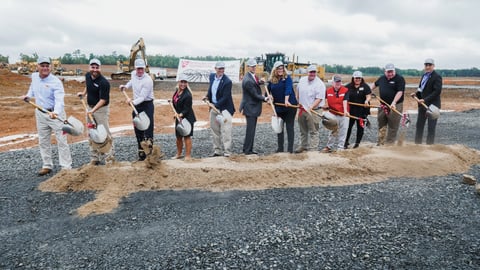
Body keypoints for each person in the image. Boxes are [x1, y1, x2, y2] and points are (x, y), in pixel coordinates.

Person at [21, 56, 72, 175]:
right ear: (37, 66)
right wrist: (28, 96)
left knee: (62, 140)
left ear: (50, 67)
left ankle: (66, 167)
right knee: (43, 140)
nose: (45, 68)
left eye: (47, 66)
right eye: (42, 66)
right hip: (40, 113)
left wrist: (56, 112)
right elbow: (32, 89)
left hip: (55, 114)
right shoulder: (34, 77)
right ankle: (47, 165)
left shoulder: (56, 81)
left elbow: (59, 99)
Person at [77, 58, 114, 165]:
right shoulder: (88, 76)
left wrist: (92, 111)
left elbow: (103, 100)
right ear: (89, 68)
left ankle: (109, 158)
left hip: (101, 110)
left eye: (97, 67)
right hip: (90, 108)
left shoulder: (104, 82)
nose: (95, 69)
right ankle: (95, 158)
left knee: (104, 132)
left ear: (100, 68)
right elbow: (88, 86)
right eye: (93, 67)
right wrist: (83, 94)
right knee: (91, 132)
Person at [120, 59, 155, 161]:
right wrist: (126, 86)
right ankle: (141, 154)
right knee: (138, 129)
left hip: (146, 105)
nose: (140, 71)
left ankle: (150, 155)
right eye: (138, 69)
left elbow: (143, 97)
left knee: (147, 129)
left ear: (144, 68)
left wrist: (132, 102)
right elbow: (132, 81)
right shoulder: (133, 74)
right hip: (136, 104)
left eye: (141, 69)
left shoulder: (148, 80)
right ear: (135, 68)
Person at [204, 61, 235, 157]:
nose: (221, 70)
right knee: (214, 130)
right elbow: (211, 90)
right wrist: (207, 97)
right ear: (215, 69)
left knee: (226, 130)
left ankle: (227, 151)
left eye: (223, 68)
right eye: (219, 68)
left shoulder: (227, 82)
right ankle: (217, 151)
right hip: (214, 107)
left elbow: (225, 97)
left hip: (225, 109)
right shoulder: (212, 77)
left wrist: (216, 105)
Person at [239, 58, 270, 155]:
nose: (253, 68)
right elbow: (254, 95)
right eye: (252, 66)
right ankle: (248, 150)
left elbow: (255, 83)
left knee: (251, 130)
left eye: (254, 66)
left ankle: (248, 149)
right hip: (250, 107)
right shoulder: (248, 80)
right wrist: (265, 98)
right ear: (248, 67)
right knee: (250, 130)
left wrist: (260, 82)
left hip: (251, 107)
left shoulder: (251, 76)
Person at [267, 61, 298, 153]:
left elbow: (288, 89)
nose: (280, 70)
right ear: (275, 70)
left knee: (289, 127)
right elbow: (267, 93)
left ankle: (290, 150)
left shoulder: (287, 78)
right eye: (278, 68)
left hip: (290, 106)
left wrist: (286, 100)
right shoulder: (272, 80)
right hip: (278, 108)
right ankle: (280, 149)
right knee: (279, 128)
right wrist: (269, 98)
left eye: (282, 68)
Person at [371, 63, 405, 145]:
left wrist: (394, 102)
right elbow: (374, 84)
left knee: (393, 125)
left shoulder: (400, 79)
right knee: (381, 124)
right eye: (388, 72)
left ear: (394, 71)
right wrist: (369, 90)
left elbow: (400, 92)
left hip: (395, 105)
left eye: (391, 71)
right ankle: (381, 142)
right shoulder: (382, 78)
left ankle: (389, 144)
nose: (390, 74)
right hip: (383, 105)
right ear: (385, 72)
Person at [295, 64, 326, 153]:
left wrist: (311, 107)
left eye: (314, 72)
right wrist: (298, 101)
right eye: (310, 72)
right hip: (302, 109)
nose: (312, 74)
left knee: (314, 131)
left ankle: (313, 149)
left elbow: (319, 98)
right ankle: (303, 146)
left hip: (314, 110)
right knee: (303, 130)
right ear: (307, 72)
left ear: (316, 72)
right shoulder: (302, 80)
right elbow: (298, 91)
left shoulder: (320, 84)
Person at [413, 58, 442, 145]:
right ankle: (417, 145)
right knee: (419, 126)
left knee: (431, 127)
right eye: (426, 65)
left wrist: (425, 99)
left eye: (430, 65)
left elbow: (437, 92)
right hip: (422, 105)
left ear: (433, 66)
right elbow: (421, 89)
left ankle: (429, 147)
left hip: (433, 106)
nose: (428, 67)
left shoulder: (437, 77)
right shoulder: (424, 76)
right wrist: (416, 94)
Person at [321, 74, 350, 153]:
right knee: (333, 130)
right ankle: (329, 147)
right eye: (336, 82)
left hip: (344, 114)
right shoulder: (328, 91)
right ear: (332, 82)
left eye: (339, 82)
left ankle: (340, 148)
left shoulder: (345, 90)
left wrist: (345, 111)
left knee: (343, 131)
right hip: (333, 113)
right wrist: (325, 106)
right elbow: (326, 102)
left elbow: (345, 101)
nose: (338, 83)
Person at [344, 71, 372, 149]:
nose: (358, 79)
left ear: (361, 78)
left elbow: (368, 96)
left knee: (360, 127)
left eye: (359, 78)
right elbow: (343, 97)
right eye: (356, 78)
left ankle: (357, 143)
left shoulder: (365, 86)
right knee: (348, 127)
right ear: (353, 78)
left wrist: (367, 101)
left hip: (362, 110)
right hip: (351, 111)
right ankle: (346, 142)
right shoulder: (348, 87)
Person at [172, 76, 196, 160]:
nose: (183, 84)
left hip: (187, 118)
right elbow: (175, 102)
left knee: (187, 136)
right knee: (178, 137)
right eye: (181, 82)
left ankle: (188, 155)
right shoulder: (177, 91)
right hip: (178, 117)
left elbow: (187, 109)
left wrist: (180, 114)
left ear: (187, 83)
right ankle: (178, 154)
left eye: (185, 82)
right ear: (178, 82)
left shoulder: (188, 95)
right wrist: (176, 113)